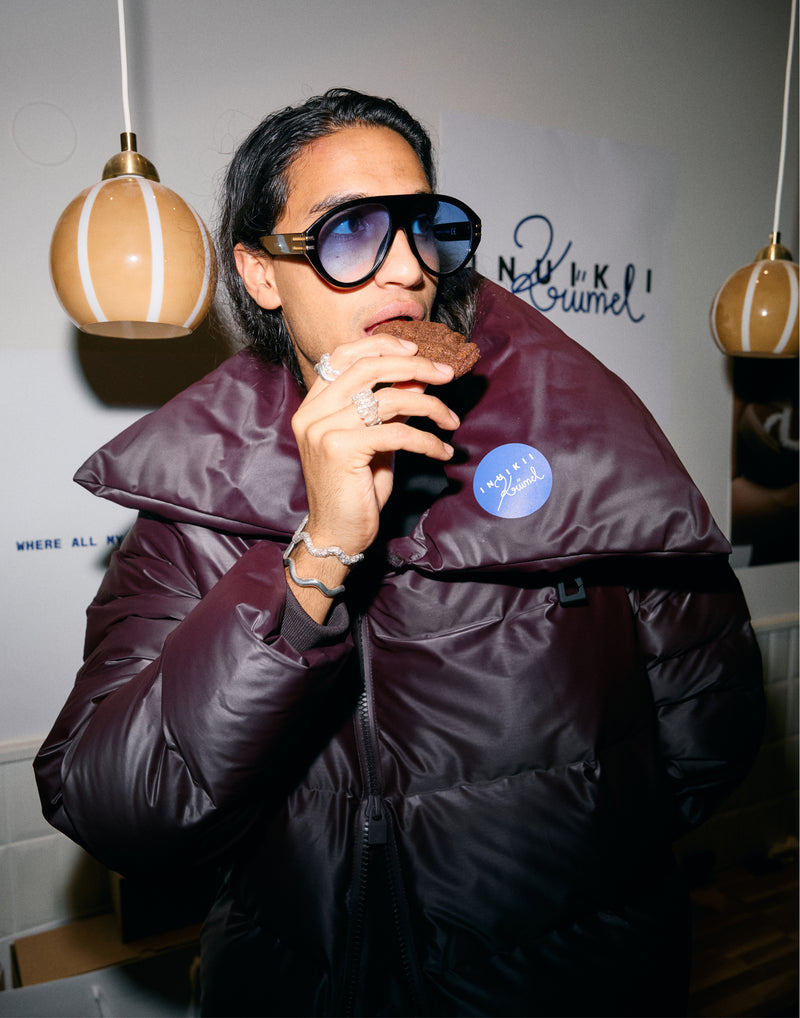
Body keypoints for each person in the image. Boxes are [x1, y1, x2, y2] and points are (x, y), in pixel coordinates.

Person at [35, 88, 764, 1017]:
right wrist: (316, 557)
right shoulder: (193, 511)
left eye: (425, 228)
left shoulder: (586, 460)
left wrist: (585, 884)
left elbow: (709, 733)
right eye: (350, 233)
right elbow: (119, 810)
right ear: (261, 274)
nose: (408, 269)